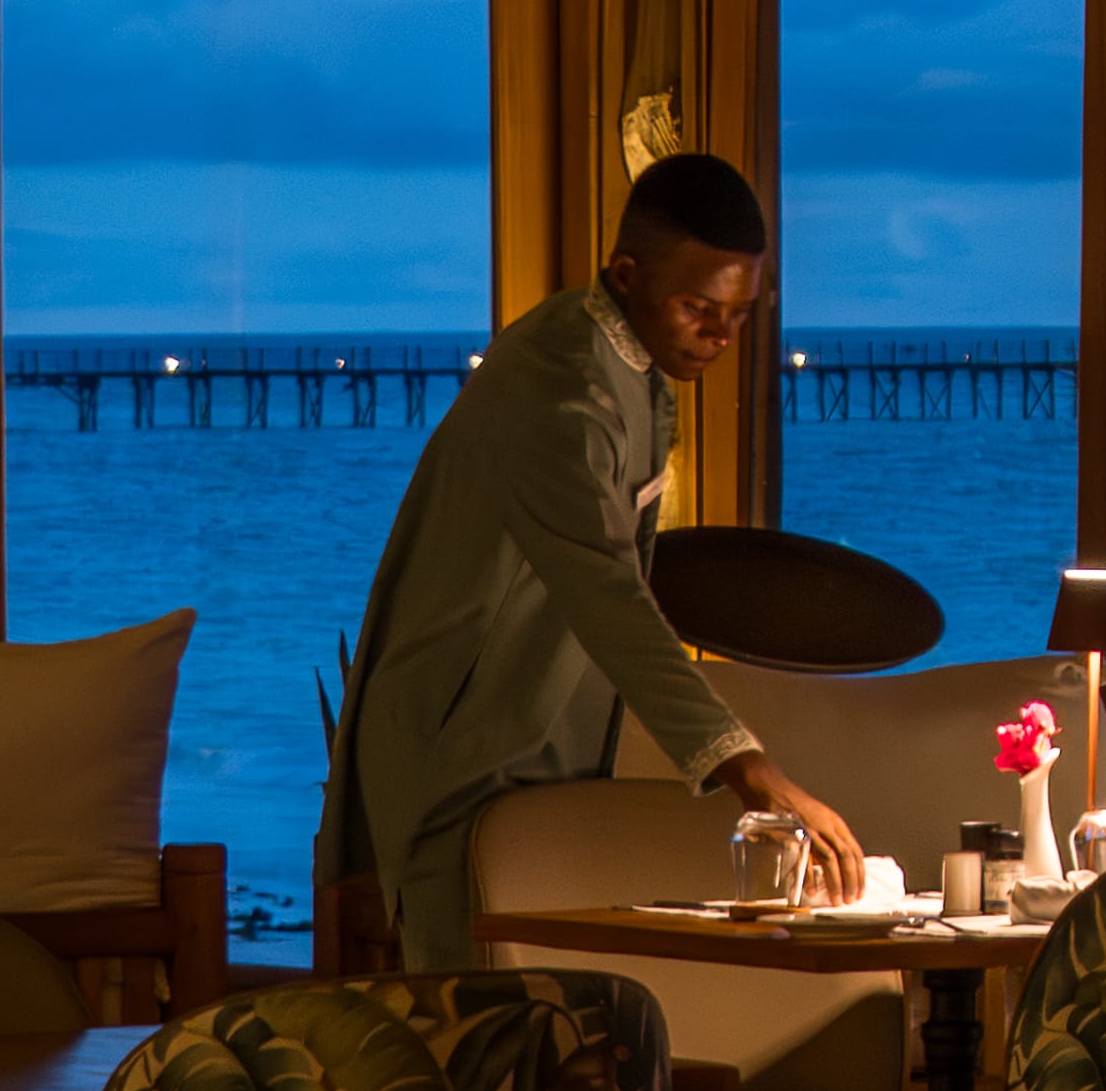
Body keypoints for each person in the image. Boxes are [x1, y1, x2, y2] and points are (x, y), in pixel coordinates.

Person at [317, 150, 860, 965]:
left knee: (556, 1020)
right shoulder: (563, 390)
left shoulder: (634, 368)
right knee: (477, 1020)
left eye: (740, 314)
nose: (720, 335)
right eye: (697, 308)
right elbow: (608, 596)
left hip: (537, 758)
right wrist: (754, 774)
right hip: (456, 753)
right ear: (627, 274)